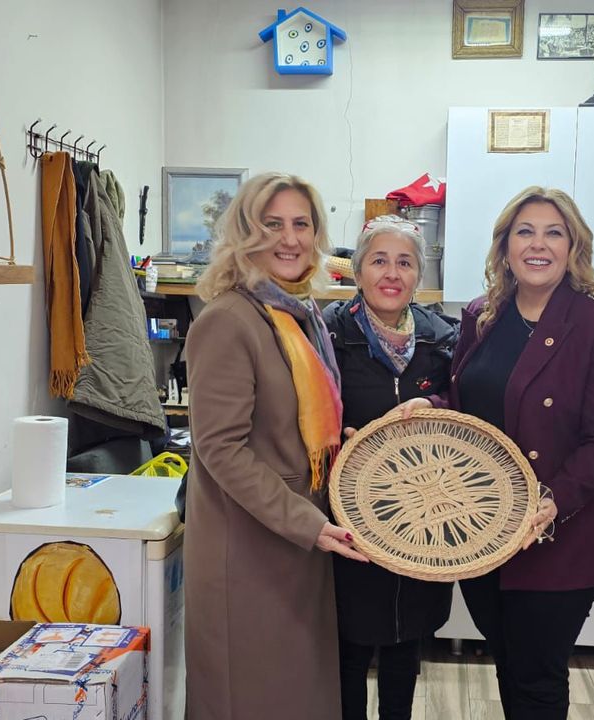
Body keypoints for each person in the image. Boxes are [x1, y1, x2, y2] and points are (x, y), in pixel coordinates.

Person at [399, 187, 594, 719]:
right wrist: (430, 405)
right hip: (486, 529)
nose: (538, 244)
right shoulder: (483, 315)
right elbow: (465, 402)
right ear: (506, 247)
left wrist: (552, 502)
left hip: (557, 534)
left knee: (536, 676)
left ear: (573, 246)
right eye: (525, 232)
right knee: (509, 662)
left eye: (554, 233)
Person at [184, 171, 367, 720]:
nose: (289, 239)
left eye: (301, 225)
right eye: (272, 224)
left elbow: (298, 427)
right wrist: (307, 523)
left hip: (296, 543)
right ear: (246, 233)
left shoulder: (297, 315)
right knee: (251, 698)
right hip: (248, 552)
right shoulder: (228, 320)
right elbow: (220, 448)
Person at [323, 214, 459, 720]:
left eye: (405, 263)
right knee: (351, 647)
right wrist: (335, 439)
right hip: (351, 515)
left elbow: (466, 406)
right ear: (358, 270)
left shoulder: (442, 337)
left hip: (423, 515)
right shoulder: (330, 334)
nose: (392, 273)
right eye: (379, 260)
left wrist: (436, 405)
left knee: (407, 642)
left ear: (418, 275)